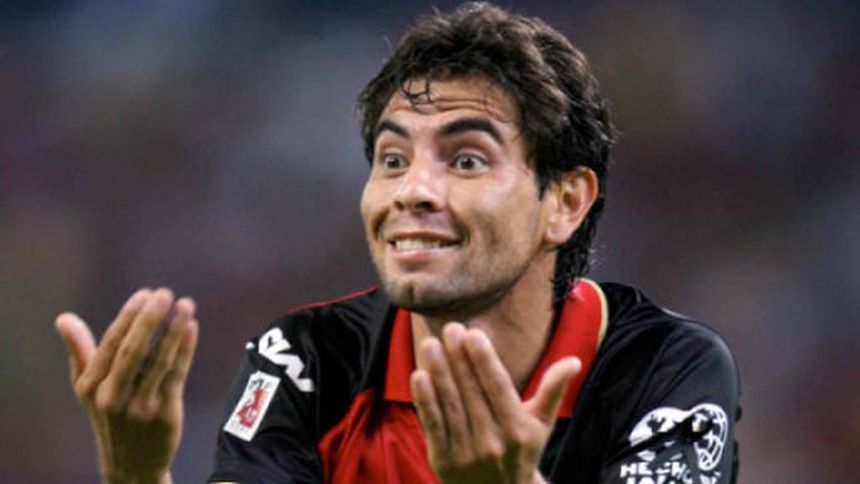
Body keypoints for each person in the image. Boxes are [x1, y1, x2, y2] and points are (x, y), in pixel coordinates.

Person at [55, 3, 740, 483]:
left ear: (564, 202)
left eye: (466, 159)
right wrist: (137, 473)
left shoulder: (665, 370)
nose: (412, 190)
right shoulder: (307, 360)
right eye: (392, 159)